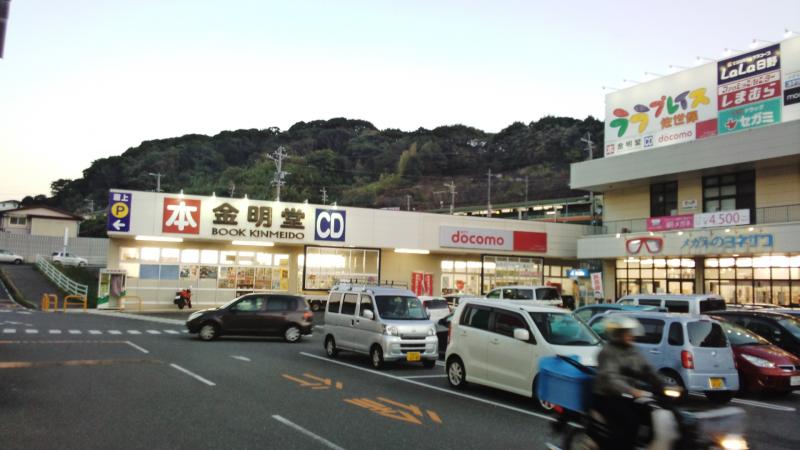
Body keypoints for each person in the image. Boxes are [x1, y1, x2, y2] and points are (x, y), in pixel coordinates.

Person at [592, 315, 664, 450]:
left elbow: (646, 368)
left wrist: (662, 383)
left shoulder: (633, 350)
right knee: (631, 421)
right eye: (627, 333)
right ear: (618, 334)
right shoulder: (607, 352)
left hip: (625, 396)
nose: (631, 335)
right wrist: (632, 391)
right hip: (606, 396)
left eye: (631, 332)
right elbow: (610, 378)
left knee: (654, 415)